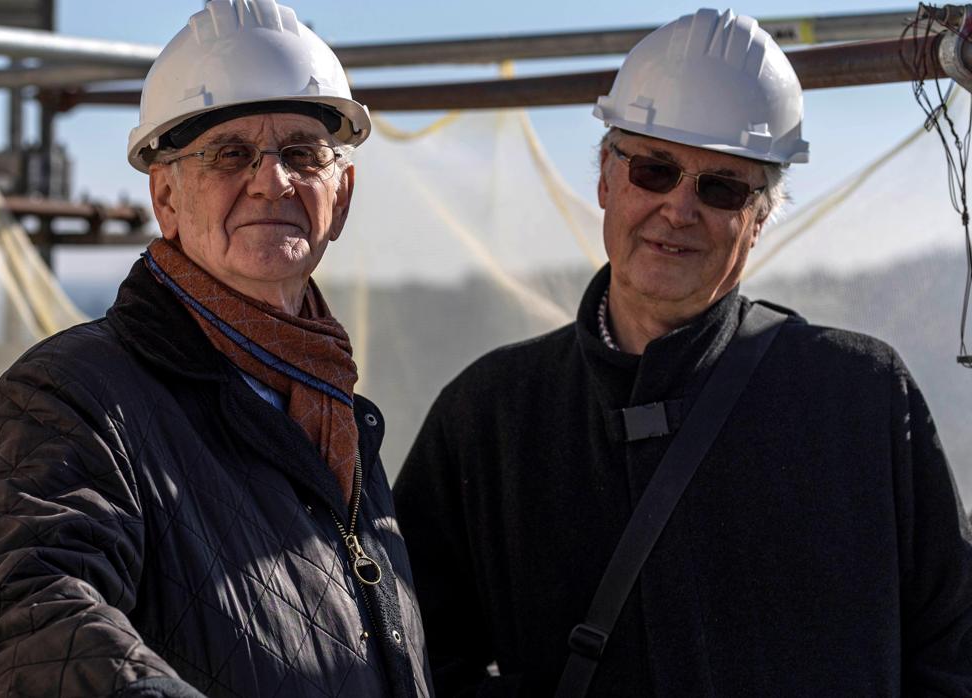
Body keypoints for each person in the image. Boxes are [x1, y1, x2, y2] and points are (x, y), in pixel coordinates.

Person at [395, 8, 972, 696]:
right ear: (607, 178)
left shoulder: (863, 395)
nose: (679, 209)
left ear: (759, 218)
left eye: (722, 187)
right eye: (655, 170)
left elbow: (954, 650)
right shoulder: (489, 416)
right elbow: (414, 658)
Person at [0, 2, 431, 696]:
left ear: (342, 193)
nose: (272, 180)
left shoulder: (336, 416)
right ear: (166, 197)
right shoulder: (77, 394)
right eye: (229, 154)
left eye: (302, 153)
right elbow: (24, 621)